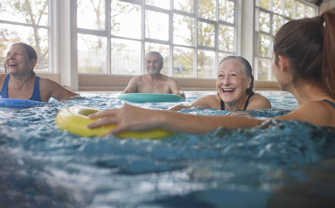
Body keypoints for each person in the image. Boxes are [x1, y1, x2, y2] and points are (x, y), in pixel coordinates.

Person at [87, 9, 335, 135]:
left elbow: (251, 124)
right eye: (220, 75)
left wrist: (157, 118)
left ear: (282, 63)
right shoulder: (323, 106)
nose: (225, 81)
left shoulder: (319, 109)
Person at [168, 56, 271, 111]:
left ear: (248, 81)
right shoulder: (212, 101)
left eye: (233, 75)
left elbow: (243, 121)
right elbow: (185, 108)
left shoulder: (259, 103)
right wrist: (162, 114)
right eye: (221, 76)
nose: (225, 82)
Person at [0, 42, 79, 102]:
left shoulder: (44, 85)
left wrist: (58, 107)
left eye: (18, 54)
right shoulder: (1, 80)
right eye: (8, 54)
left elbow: (79, 100)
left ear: (32, 63)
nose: (11, 57)